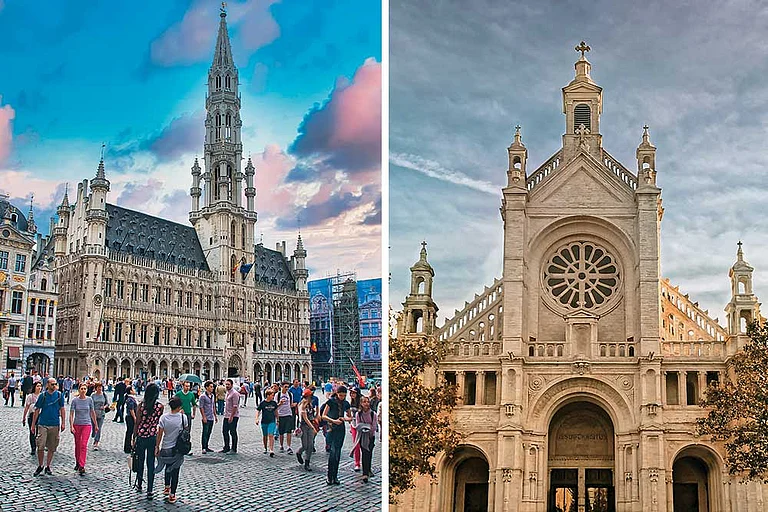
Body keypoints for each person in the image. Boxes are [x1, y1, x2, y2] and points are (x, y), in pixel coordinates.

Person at [133, 383, 164, 498]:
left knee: (140, 461)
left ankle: (140, 483)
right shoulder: (160, 407)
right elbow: (158, 421)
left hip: (141, 436)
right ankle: (150, 489)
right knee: (150, 463)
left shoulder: (141, 406)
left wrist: (134, 436)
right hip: (152, 436)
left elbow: (137, 422)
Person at [154, 396, 187, 504]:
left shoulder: (164, 417)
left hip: (166, 446)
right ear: (179, 407)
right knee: (175, 471)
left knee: (167, 468)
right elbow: (185, 431)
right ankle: (172, 494)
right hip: (177, 448)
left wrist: (157, 446)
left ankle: (167, 487)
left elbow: (160, 433)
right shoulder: (183, 418)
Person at [31, 378, 66, 476]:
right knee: (40, 445)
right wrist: (33, 424)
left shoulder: (59, 395)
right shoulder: (43, 396)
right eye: (52, 384)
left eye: (55, 384)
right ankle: (40, 465)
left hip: (54, 424)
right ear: (47, 385)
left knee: (52, 446)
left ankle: (48, 466)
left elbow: (62, 409)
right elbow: (37, 410)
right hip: (43, 423)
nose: (54, 386)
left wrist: (63, 422)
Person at [321, 386, 352, 485]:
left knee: (338, 452)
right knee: (333, 452)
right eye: (340, 395)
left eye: (344, 395)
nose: (342, 397)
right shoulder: (331, 402)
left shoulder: (346, 403)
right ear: (337, 393)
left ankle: (335, 476)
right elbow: (323, 415)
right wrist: (333, 420)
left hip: (341, 428)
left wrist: (344, 419)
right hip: (331, 428)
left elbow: (350, 417)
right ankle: (330, 476)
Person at [69, 383, 98, 475]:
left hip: (87, 424)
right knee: (77, 444)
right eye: (82, 388)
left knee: (83, 444)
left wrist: (96, 425)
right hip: (77, 424)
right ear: (79, 390)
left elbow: (92, 412)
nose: (83, 390)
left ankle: (82, 465)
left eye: (85, 389)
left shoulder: (89, 400)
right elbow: (71, 414)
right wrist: (71, 425)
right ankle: (77, 461)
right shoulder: (75, 401)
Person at [354, 396, 377, 483]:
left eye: (367, 402)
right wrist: (365, 427)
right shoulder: (358, 414)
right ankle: (365, 473)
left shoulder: (373, 414)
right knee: (364, 453)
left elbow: (374, 426)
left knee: (369, 453)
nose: (366, 404)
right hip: (362, 436)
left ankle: (368, 469)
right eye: (364, 402)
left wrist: (369, 431)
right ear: (361, 403)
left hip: (370, 436)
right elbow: (358, 425)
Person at [296, 388, 318, 471]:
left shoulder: (310, 405)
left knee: (310, 445)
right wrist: (313, 427)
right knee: (305, 445)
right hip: (304, 426)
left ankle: (307, 463)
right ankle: (299, 452)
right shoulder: (302, 405)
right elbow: (305, 418)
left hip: (310, 425)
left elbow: (312, 416)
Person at [175, 381, 197, 454]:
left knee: (187, 432)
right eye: (186, 386)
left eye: (188, 386)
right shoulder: (178, 394)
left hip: (188, 414)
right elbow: (173, 403)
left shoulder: (191, 394)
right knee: (178, 430)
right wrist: (178, 409)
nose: (187, 388)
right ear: (183, 386)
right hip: (179, 415)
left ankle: (186, 447)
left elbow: (194, 404)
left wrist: (193, 414)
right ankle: (177, 447)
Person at [22, 381, 43, 455]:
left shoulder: (42, 396)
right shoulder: (30, 396)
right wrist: (24, 417)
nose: (39, 388)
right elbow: (27, 407)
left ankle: (38, 446)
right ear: (34, 387)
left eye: (40, 386)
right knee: (32, 431)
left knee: (39, 432)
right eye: (37, 386)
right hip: (31, 415)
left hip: (40, 416)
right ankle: (33, 448)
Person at [256, 389, 278, 456]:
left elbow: (276, 411)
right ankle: (265, 447)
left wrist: (278, 419)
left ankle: (271, 450)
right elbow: (258, 411)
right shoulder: (263, 403)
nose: (273, 396)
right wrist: (257, 419)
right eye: (272, 395)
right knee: (265, 436)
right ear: (268, 395)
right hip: (264, 421)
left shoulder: (274, 403)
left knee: (271, 435)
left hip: (272, 421)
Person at [221, 378, 240, 453]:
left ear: (232, 385)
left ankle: (234, 448)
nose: (227, 386)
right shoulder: (227, 392)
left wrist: (231, 416)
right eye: (226, 384)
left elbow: (235, 406)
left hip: (233, 416)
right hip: (226, 415)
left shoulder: (234, 393)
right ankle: (226, 447)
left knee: (232, 432)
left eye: (228, 384)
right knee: (225, 431)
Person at [198, 381, 217, 453]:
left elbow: (213, 406)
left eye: (212, 387)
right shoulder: (202, 396)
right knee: (205, 432)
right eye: (211, 387)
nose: (212, 388)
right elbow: (201, 407)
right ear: (207, 387)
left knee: (209, 432)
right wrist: (203, 416)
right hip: (206, 417)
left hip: (211, 417)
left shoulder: (212, 396)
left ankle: (207, 446)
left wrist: (215, 415)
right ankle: (203, 447)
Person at [276, 382, 294, 454]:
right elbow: (275, 406)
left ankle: (289, 446)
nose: (287, 388)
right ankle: (281, 445)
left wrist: (294, 405)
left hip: (288, 414)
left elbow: (291, 404)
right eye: (285, 387)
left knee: (289, 431)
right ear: (281, 387)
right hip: (280, 415)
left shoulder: (290, 394)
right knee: (281, 432)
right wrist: (279, 403)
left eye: (288, 387)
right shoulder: (278, 395)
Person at [90, 382, 109, 450]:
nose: (100, 388)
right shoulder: (93, 395)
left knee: (99, 428)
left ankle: (96, 442)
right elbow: (90, 404)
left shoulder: (104, 394)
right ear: (96, 388)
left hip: (101, 413)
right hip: (93, 413)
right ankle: (94, 434)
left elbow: (107, 404)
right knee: (94, 427)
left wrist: (104, 407)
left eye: (101, 387)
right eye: (98, 387)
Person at [349, 387, 362, 471]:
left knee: (363, 446)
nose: (352, 394)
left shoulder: (361, 402)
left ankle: (365, 462)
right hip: (353, 425)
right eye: (351, 393)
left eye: (354, 393)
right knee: (356, 445)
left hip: (361, 426)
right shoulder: (351, 402)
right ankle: (357, 463)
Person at [124, 385, 138, 454]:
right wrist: (135, 418)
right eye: (133, 389)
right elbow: (131, 410)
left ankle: (129, 446)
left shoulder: (131, 398)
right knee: (130, 432)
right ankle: (128, 447)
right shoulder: (130, 399)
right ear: (130, 391)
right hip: (130, 417)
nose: (134, 390)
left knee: (129, 432)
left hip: (130, 417)